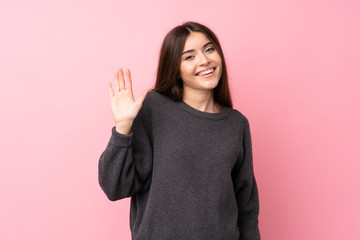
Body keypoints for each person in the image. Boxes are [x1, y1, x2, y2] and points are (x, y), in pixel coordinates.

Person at [98, 21, 261, 240]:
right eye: (189, 56)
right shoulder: (154, 109)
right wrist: (123, 127)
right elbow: (114, 187)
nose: (204, 61)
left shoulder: (236, 124)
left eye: (209, 49)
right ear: (175, 69)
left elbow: (246, 206)